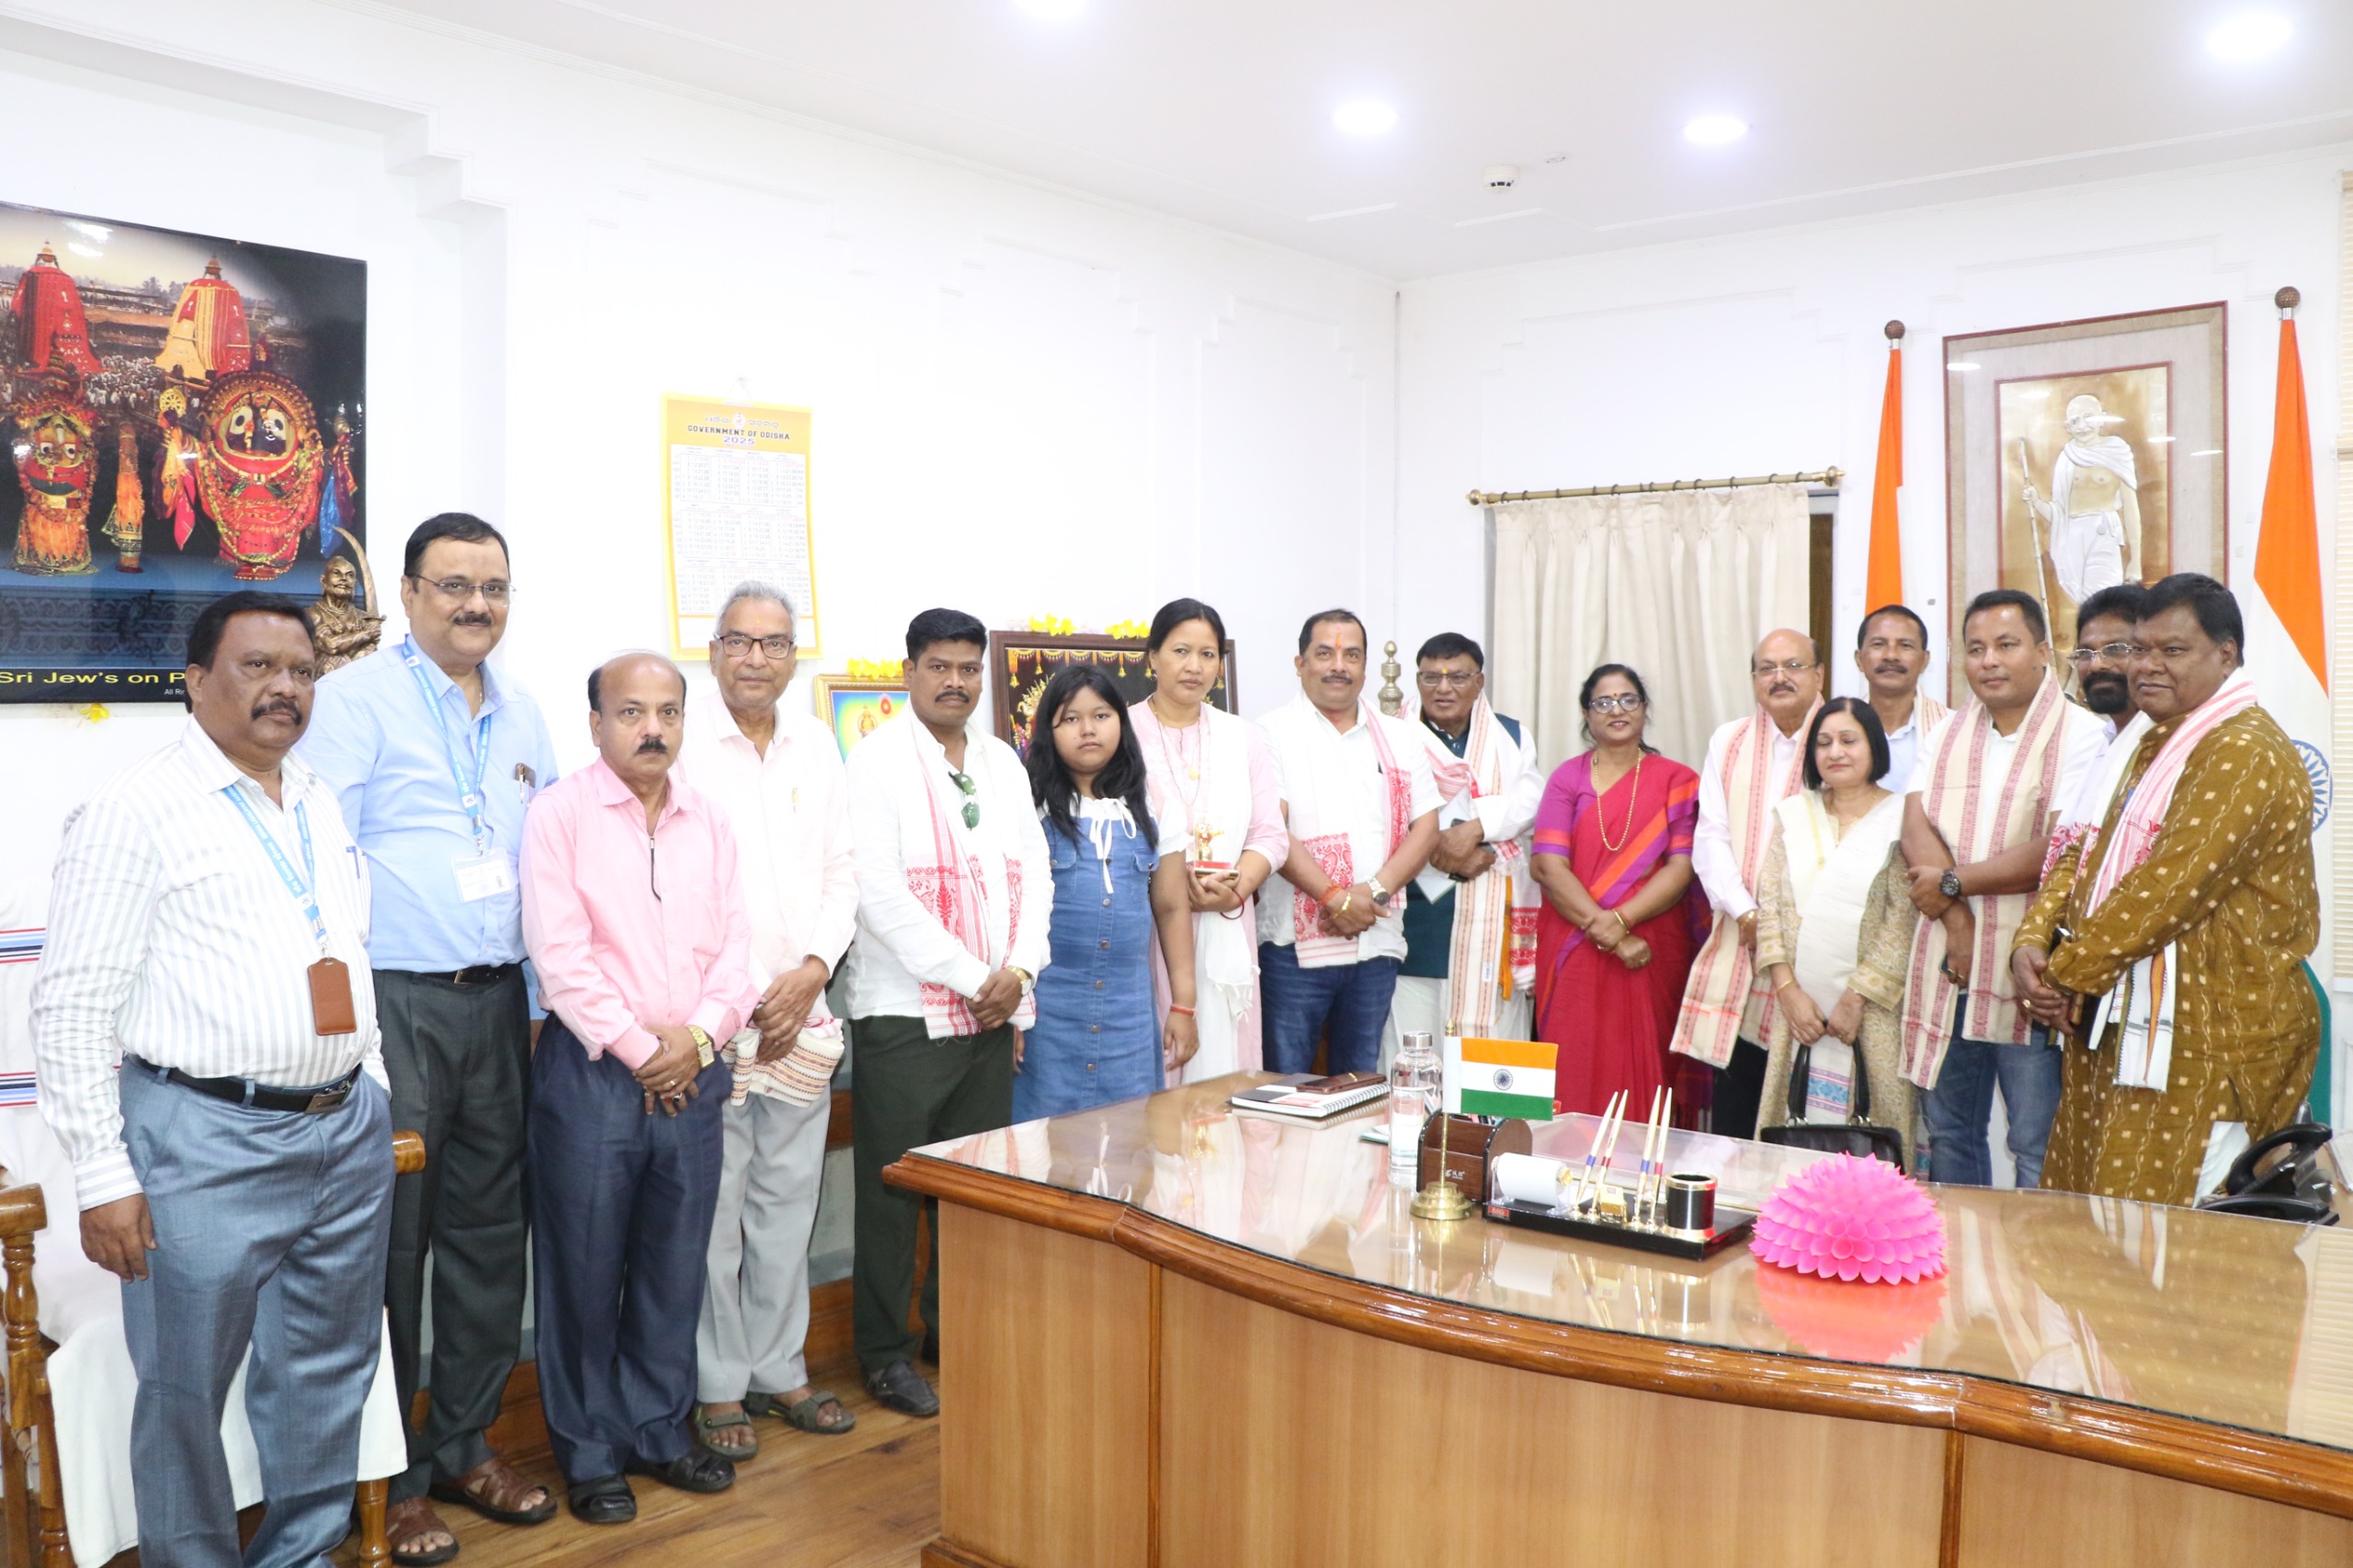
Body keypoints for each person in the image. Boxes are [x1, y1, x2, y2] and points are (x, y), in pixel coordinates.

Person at [31, 592, 393, 1568]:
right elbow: (71, 1007)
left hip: (344, 1130)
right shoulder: (133, 810)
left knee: (326, 1372)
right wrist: (103, 1174)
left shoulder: (315, 795)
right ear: (195, 682)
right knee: (185, 1393)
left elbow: (346, 947)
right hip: (202, 1138)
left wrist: (371, 1080)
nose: (285, 687)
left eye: (303, 671)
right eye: (257, 666)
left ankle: (300, 1554)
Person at [298, 512, 561, 1562]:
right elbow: (320, 859)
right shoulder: (354, 700)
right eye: (453, 585)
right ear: (408, 595)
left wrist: (536, 1004)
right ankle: (390, 1478)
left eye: (492, 586)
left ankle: (462, 1442)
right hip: (395, 1004)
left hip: (498, 1003)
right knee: (394, 1242)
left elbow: (543, 865)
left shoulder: (526, 711)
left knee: (491, 1233)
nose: (475, 605)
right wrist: (343, 1024)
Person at [521, 652, 756, 1524]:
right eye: (631, 712)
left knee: (672, 1264)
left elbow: (738, 949)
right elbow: (560, 956)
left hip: (693, 1070)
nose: (652, 729)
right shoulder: (559, 815)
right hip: (593, 1075)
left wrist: (696, 1042)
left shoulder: (711, 820)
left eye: (667, 712)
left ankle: (659, 1428)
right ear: (596, 724)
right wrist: (640, 1050)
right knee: (583, 1272)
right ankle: (590, 1453)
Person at [2015, 574, 2321, 1204]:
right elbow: (2081, 853)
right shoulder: (2154, 742)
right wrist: (2033, 945)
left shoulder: (2242, 750)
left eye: (2172, 650)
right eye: (2139, 649)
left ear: (2226, 654)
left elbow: (2166, 891)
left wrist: (2063, 976)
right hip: (2130, 1034)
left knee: (2178, 1243)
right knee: (2098, 1230)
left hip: (2212, 1045)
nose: (2146, 666)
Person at [843, 608, 1052, 1419]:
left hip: (992, 1012)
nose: (956, 682)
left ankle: (951, 1330)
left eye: (968, 668)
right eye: (939, 666)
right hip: (905, 1014)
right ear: (909, 672)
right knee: (894, 1191)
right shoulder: (874, 763)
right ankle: (883, 1353)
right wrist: (975, 976)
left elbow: (1034, 872)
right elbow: (879, 895)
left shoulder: (1002, 761)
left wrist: (1020, 970)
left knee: (970, 1189)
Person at [676, 584, 859, 1461]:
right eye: (740, 641)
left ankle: (780, 1368)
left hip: (804, 1014)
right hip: (716, 1022)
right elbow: (677, 887)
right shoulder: (681, 743)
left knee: (789, 1205)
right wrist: (753, 997)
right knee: (715, 1213)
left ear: (795, 655)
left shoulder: (816, 744)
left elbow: (844, 873)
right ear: (713, 650)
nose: (757, 658)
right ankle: (717, 1384)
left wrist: (812, 971)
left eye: (775, 643)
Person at [1897, 589, 2104, 1187]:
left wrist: (1953, 883)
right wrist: (1958, 919)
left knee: (2034, 1139)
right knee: (1950, 1129)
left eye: (2005, 645)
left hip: (2031, 966)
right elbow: (1915, 826)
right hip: (1949, 960)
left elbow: (2060, 849)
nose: (1988, 660)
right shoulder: (1945, 733)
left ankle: (2035, 1253)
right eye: (1976, 648)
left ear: (2042, 651)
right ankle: (1964, 1246)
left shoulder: (2084, 733)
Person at [1256, 609, 1440, 1074]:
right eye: (1325, 653)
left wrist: (1372, 893)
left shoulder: (1399, 736)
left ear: (1365, 666)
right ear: (1300, 663)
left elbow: (1426, 826)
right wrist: (1334, 898)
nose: (1339, 666)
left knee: (1360, 1085)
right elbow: (1273, 827)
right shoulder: (1268, 734)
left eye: (1352, 655)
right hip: (1290, 950)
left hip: (1375, 943)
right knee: (1284, 1086)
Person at [1023, 665, 1199, 1117]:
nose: (1088, 729)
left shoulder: (1156, 803)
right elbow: (1010, 911)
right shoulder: (1028, 804)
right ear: (1048, 731)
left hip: (1130, 1015)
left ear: (1122, 721)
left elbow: (1172, 907)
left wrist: (1183, 1005)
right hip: (1046, 1014)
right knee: (1043, 1142)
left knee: (1130, 1139)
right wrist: (1012, 1015)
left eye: (1101, 716)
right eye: (1070, 719)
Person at [1528, 665, 1703, 1116]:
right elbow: (1548, 865)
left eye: (1628, 699)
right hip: (1575, 944)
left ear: (1645, 709)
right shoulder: (1567, 778)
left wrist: (1624, 920)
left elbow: (1682, 866)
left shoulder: (1677, 780)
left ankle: (1644, 1160)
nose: (1616, 710)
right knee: (1575, 1064)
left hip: (1651, 946)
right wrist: (1609, 932)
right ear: (1587, 714)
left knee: (1648, 1073)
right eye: (1603, 702)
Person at [1672, 629, 1824, 1137]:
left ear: (1819, 674)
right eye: (1767, 668)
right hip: (1743, 937)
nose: (1780, 677)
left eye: (1794, 666)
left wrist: (1783, 926)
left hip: (1816, 948)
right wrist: (1747, 912)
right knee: (1737, 1106)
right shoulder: (1730, 740)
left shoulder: (1839, 735)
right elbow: (1710, 837)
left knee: (1808, 1108)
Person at [1753, 699, 1918, 1163]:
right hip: (1799, 1011)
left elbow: (1903, 920)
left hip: (1871, 1012)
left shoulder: (1903, 818)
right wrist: (1787, 991)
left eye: (1849, 740)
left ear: (1874, 747)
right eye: (1823, 743)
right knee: (1793, 1138)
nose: (1835, 752)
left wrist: (1856, 997)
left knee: (1874, 1140)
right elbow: (1770, 907)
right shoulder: (1793, 815)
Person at [1129, 598, 1287, 1082]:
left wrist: (1236, 890)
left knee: (1225, 1073)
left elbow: (1271, 835)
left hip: (1226, 919)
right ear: (1152, 657)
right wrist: (1172, 887)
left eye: (1208, 654)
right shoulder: (1122, 732)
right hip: (1147, 927)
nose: (1194, 666)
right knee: (1157, 1066)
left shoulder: (1244, 737)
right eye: (1180, 651)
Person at [1392, 632, 1543, 1055]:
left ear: (1479, 682)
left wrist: (1476, 831)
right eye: (1431, 677)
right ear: (1417, 681)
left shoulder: (1510, 735)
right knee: (1413, 1059)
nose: (1443, 688)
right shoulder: (1393, 734)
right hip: (1416, 924)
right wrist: (1439, 851)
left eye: (1457, 677)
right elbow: (1380, 812)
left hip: (1491, 924)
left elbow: (1531, 801)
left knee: (1492, 1064)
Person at [2023, 394, 2143, 605]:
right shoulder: (2066, 458)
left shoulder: (2118, 451)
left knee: (2103, 601)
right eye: (2075, 421)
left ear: (2102, 418)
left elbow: (2131, 509)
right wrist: (2037, 502)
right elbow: (2059, 515)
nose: (2082, 426)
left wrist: (2136, 560)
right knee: (2083, 604)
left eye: (2089, 417)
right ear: (2067, 426)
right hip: (2071, 538)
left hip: (2104, 533)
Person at [1852, 604, 1948, 787]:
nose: (1891, 656)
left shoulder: (1951, 730)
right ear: (1859, 659)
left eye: (1905, 646)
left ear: (1924, 661)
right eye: (1878, 644)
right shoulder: (1836, 731)